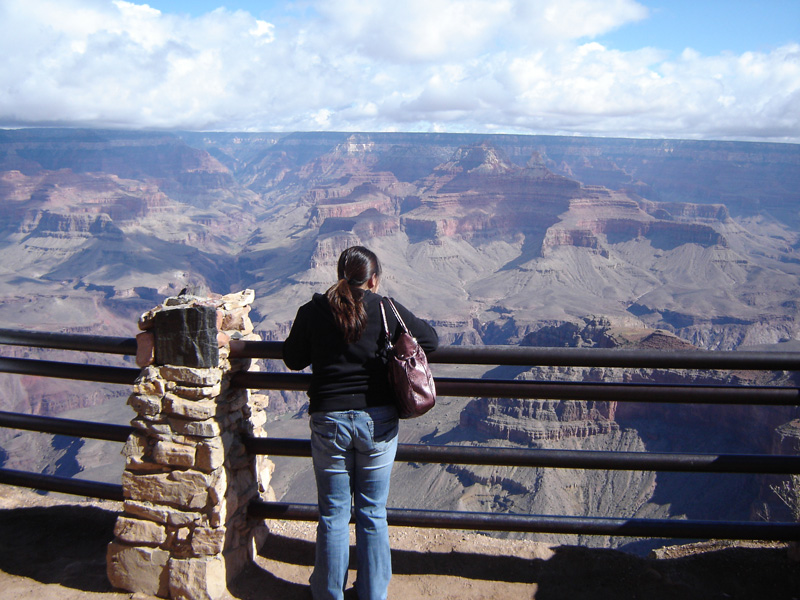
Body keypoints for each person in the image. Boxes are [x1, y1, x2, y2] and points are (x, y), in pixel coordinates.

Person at [282, 245, 438, 600]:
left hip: (328, 422)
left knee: (334, 515)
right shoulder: (386, 308)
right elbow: (431, 341)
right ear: (373, 279)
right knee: (371, 512)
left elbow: (292, 358)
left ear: (339, 276)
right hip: (378, 421)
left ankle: (327, 594)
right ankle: (372, 594)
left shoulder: (314, 309)